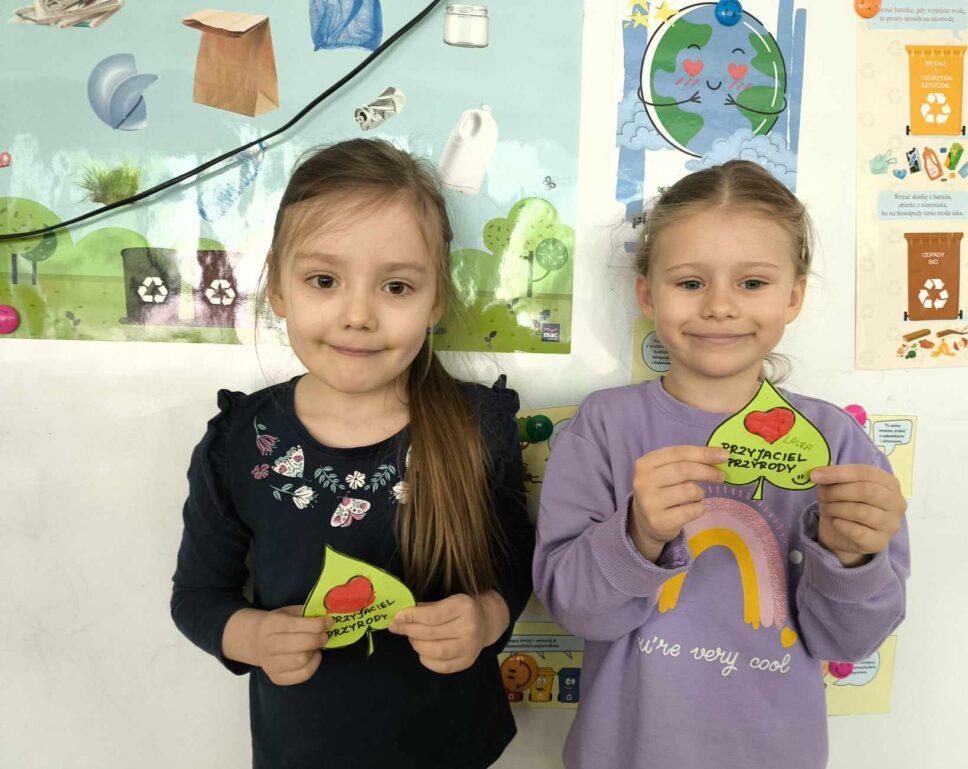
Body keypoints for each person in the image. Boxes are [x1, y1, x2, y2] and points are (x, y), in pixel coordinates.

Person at [533, 160, 910, 769]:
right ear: (646, 294)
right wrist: (638, 535)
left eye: (752, 283)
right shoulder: (603, 427)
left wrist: (850, 560)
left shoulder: (838, 443)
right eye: (690, 283)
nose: (720, 307)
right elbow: (577, 612)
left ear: (794, 296)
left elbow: (849, 642)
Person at [171, 138, 534, 769]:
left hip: (457, 746)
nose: (358, 315)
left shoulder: (478, 426)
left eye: (396, 286)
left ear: (435, 300)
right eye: (324, 280)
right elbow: (198, 596)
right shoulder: (238, 442)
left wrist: (486, 615)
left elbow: (518, 560)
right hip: (301, 751)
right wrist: (252, 636)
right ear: (278, 288)